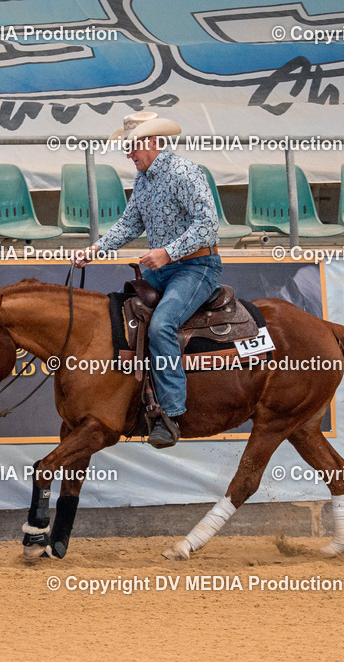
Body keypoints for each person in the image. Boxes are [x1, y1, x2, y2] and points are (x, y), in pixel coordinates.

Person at [71, 112, 221, 448]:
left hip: (196, 268)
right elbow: (129, 224)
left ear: (152, 142)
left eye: (133, 147)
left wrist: (167, 252)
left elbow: (208, 226)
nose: (129, 155)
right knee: (123, 323)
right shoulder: (143, 180)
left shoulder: (184, 172)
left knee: (161, 325)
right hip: (163, 269)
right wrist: (95, 249)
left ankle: (170, 412)